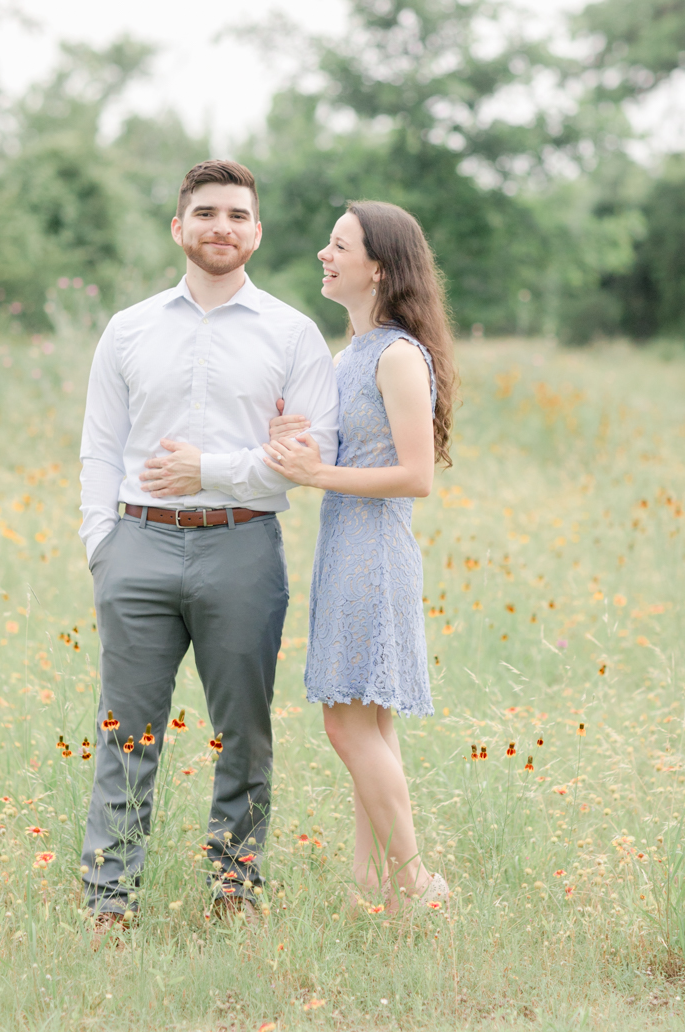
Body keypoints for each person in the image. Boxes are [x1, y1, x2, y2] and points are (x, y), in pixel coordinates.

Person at [78, 159, 339, 931]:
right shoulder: (127, 329)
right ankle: (109, 900)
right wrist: (104, 545)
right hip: (138, 545)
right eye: (205, 213)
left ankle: (234, 888)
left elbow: (309, 454)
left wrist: (212, 470)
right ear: (178, 227)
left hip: (244, 549)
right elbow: (100, 447)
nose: (220, 226)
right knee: (127, 729)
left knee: (245, 730)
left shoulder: (293, 334)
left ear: (256, 232)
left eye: (235, 214)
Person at [263, 200, 456, 912]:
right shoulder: (350, 355)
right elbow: (345, 456)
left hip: (374, 551)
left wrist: (319, 475)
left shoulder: (400, 354)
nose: (323, 252)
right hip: (346, 545)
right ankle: (366, 889)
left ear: (378, 266)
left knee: (347, 723)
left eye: (338, 245)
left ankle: (415, 879)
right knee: (372, 725)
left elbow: (416, 476)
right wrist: (299, 447)